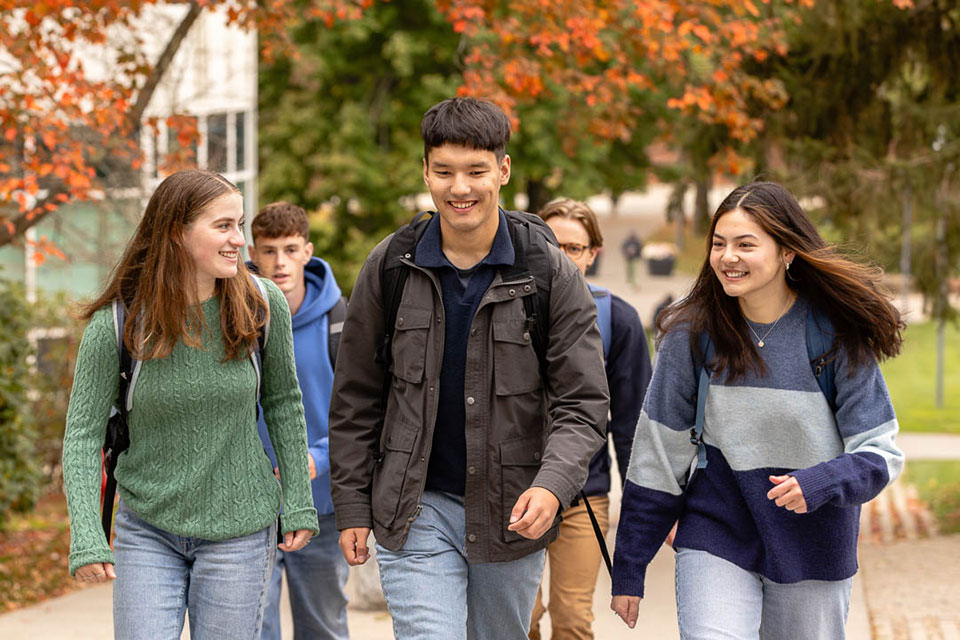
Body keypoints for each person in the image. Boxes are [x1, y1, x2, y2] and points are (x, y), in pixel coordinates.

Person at [329, 97, 610, 640]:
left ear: (502, 171)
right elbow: (356, 398)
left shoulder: (548, 271)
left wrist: (552, 487)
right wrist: (352, 504)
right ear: (426, 174)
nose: (460, 188)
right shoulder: (390, 265)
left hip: (513, 513)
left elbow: (583, 403)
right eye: (444, 172)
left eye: (476, 171)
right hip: (415, 512)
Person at [610, 181, 905, 639]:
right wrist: (630, 562)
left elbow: (880, 452)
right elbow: (658, 454)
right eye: (719, 243)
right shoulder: (693, 334)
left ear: (787, 251)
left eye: (746, 244)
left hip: (814, 545)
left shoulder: (834, 336)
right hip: (716, 531)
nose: (728, 257)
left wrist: (822, 481)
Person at [61, 170, 319, 639]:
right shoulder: (116, 324)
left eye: (239, 225)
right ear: (177, 232)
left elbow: (283, 403)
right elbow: (81, 437)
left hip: (241, 529)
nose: (239, 241)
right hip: (147, 528)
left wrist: (298, 500)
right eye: (223, 226)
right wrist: (86, 533)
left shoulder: (263, 305)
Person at [529, 198, 652, 640]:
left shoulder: (617, 320)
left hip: (584, 495)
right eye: (552, 245)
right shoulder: (505, 311)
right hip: (511, 494)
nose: (563, 258)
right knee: (517, 617)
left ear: (592, 253)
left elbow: (633, 427)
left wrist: (644, 515)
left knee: (572, 618)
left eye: (574, 248)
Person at [249, 202, 350, 640]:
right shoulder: (232, 315)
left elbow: (363, 413)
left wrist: (316, 459)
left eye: (290, 249)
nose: (280, 262)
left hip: (323, 506)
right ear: (252, 252)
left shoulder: (341, 321)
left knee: (322, 628)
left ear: (308, 251)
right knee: (252, 627)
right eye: (269, 251)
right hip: (248, 505)